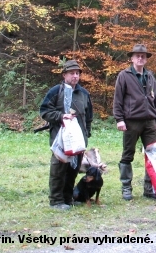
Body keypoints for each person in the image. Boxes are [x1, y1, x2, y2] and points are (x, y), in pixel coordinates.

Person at [40, 60, 93, 210]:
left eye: (77, 73)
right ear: (64, 75)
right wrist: (61, 116)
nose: (75, 76)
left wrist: (86, 134)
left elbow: (88, 116)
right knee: (58, 169)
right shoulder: (56, 91)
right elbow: (45, 111)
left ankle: (68, 198)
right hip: (60, 138)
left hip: (78, 139)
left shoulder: (84, 94)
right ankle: (56, 201)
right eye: (72, 73)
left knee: (73, 169)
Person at [113, 44, 156, 200]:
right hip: (131, 121)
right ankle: (126, 187)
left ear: (146, 59)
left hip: (150, 122)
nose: (140, 58)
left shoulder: (150, 76)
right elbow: (118, 100)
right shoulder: (124, 75)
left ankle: (149, 188)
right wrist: (119, 119)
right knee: (128, 155)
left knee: (153, 155)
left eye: (143, 56)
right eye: (137, 55)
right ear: (132, 58)